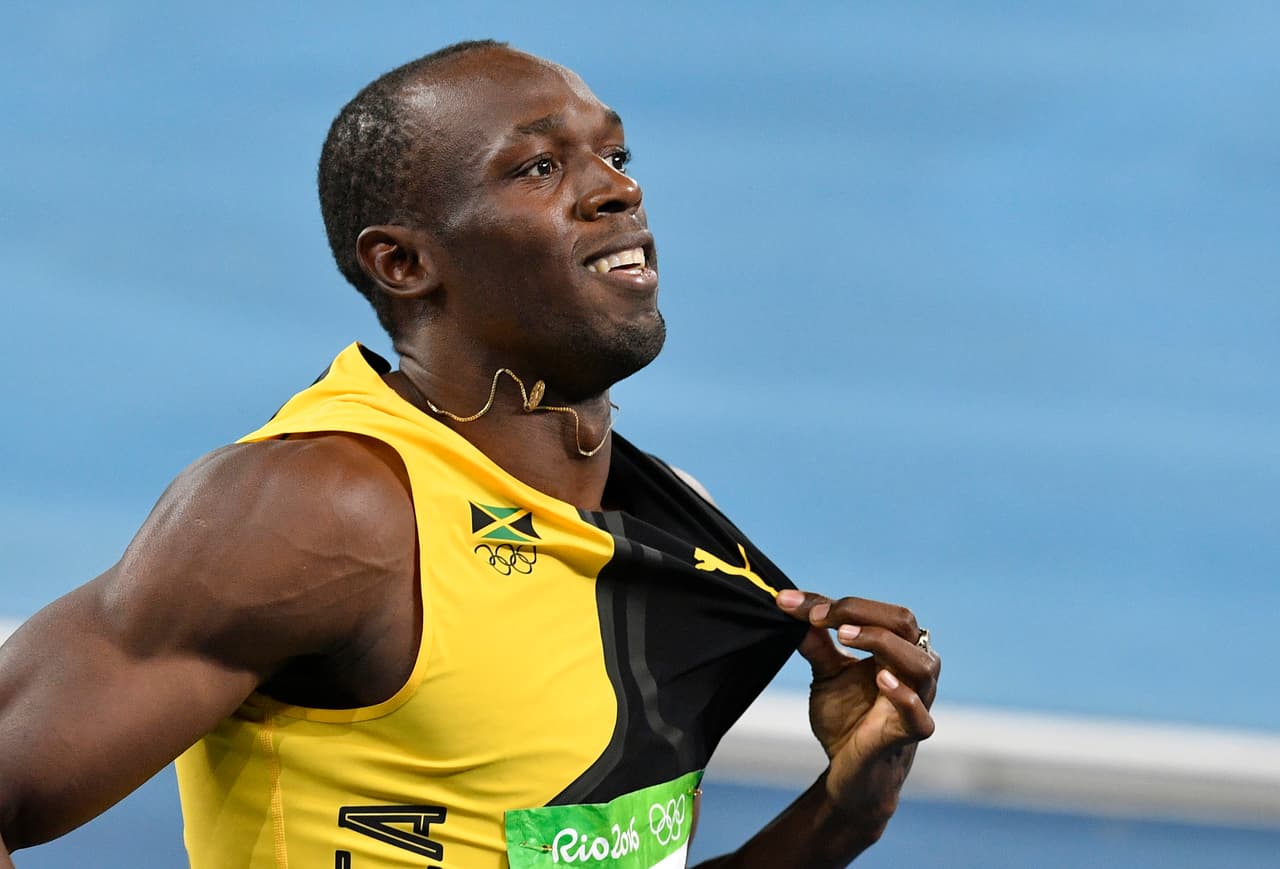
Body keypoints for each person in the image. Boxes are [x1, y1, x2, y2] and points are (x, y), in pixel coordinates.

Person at [0, 40, 939, 868]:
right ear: (403, 263)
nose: (618, 187)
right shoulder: (324, 508)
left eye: (614, 154)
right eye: (536, 168)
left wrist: (842, 815)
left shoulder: (655, 529)